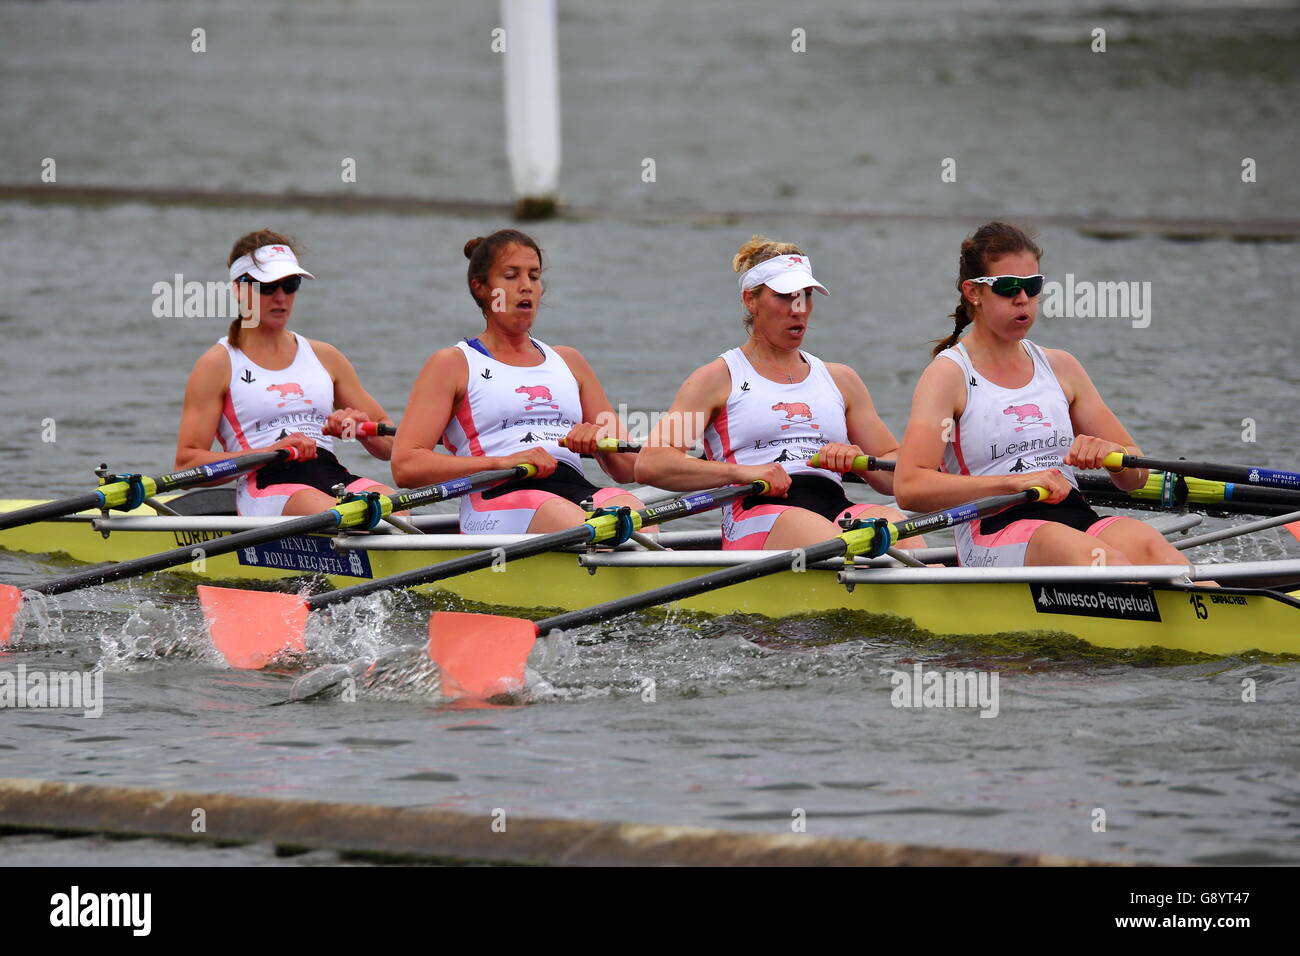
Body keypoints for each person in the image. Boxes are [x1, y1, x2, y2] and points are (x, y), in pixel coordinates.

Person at [893, 221, 1189, 568]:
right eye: (1008, 288)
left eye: (1033, 287)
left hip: (1075, 517)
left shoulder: (1061, 367)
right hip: (993, 529)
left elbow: (1135, 477)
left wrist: (1113, 456)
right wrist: (1013, 483)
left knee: (1156, 551)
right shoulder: (948, 375)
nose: (1023, 299)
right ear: (973, 292)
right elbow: (910, 487)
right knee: (1100, 560)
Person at [636, 235, 922, 552]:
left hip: (833, 507)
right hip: (755, 510)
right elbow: (653, 463)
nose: (798, 309)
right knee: (832, 541)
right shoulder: (715, 379)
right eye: (785, 297)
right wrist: (740, 472)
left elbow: (895, 476)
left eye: (806, 296)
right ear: (751, 300)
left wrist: (858, 461)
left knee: (899, 528)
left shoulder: (842, 379)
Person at [392, 229, 645, 534]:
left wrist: (601, 444)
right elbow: (406, 466)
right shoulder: (453, 364)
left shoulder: (570, 361)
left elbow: (628, 468)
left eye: (534, 276)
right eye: (511, 276)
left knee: (634, 513)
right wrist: (500, 462)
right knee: (582, 524)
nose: (526, 286)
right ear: (482, 288)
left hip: (574, 491)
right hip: (497, 496)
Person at [174, 230, 397, 516]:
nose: (280, 297)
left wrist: (359, 429)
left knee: (394, 506)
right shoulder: (218, 364)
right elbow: (186, 465)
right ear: (238, 289)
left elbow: (391, 446)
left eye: (290, 285)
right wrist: (269, 450)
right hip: (266, 484)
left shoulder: (325, 356)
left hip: (330, 477)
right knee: (341, 515)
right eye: (267, 287)